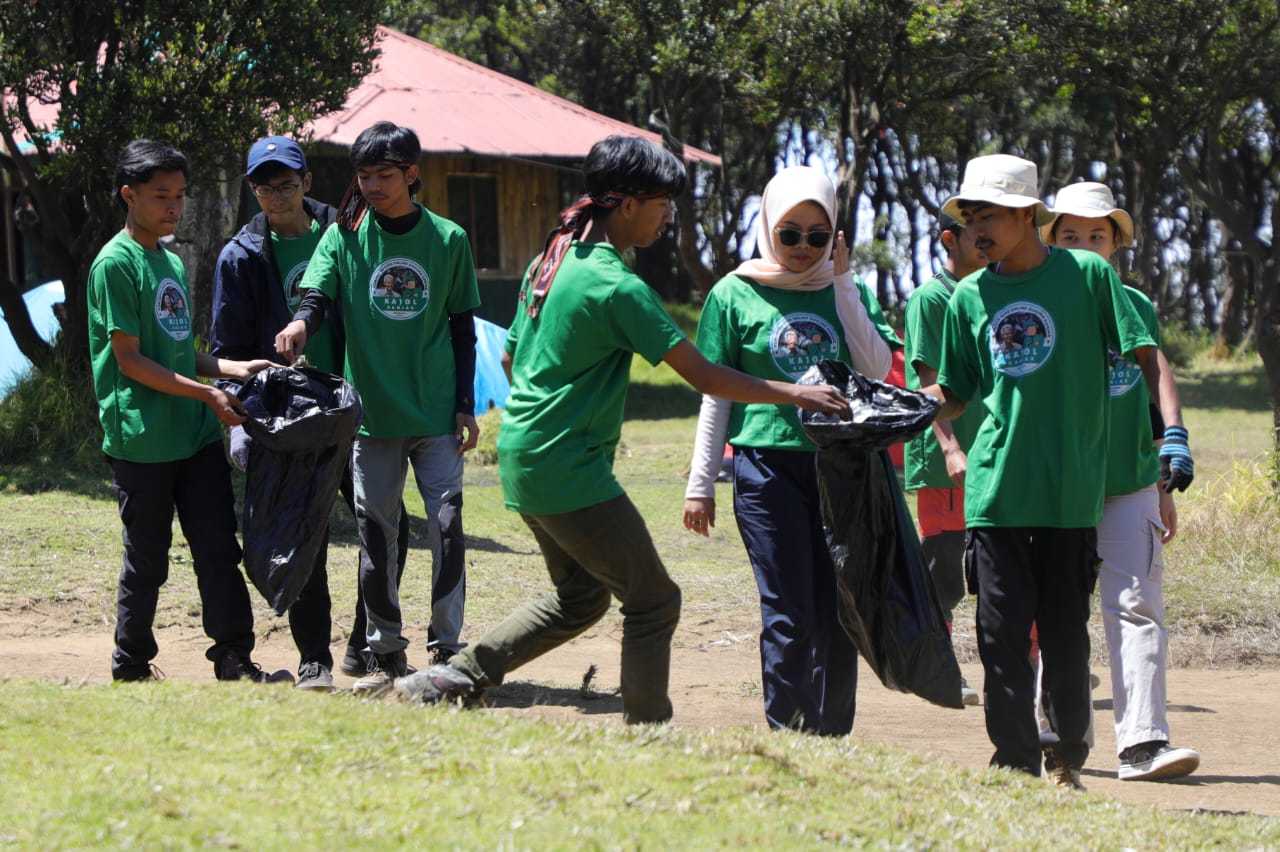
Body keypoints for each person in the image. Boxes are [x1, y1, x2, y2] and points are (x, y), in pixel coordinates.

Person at [395, 136, 850, 724]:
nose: (667, 218)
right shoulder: (618, 286)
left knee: (581, 596)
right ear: (629, 203)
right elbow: (703, 375)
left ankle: (455, 677)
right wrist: (794, 391)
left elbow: (510, 359)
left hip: (523, 454)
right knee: (654, 600)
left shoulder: (550, 260)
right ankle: (649, 731)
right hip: (567, 466)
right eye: (663, 204)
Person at [920, 154, 1191, 790]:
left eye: (989, 214)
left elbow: (1145, 357)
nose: (977, 227)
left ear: (1026, 217)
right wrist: (913, 408)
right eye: (970, 215)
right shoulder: (968, 295)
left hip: (1073, 492)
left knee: (1065, 632)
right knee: (1000, 632)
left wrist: (1167, 435)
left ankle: (1068, 754)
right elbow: (956, 387)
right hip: (997, 488)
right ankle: (1014, 758)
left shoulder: (1087, 275)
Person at [680, 166, 892, 735]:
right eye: (789, 234)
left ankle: (832, 734)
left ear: (836, 239)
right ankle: (790, 732)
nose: (803, 248)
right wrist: (701, 484)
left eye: (817, 236)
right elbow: (715, 392)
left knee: (837, 606)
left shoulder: (847, 288)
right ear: (768, 227)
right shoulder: (733, 292)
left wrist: (843, 283)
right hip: (765, 467)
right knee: (787, 609)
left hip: (839, 468)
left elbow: (875, 368)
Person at [275, 122, 480, 694]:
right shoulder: (343, 237)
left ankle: (447, 645)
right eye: (362, 175)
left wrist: (465, 405)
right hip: (372, 418)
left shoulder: (448, 239)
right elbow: (316, 296)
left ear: (412, 175)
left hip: (436, 414)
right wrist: (299, 324)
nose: (370, 186)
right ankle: (385, 648)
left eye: (384, 175)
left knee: (447, 528)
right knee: (377, 534)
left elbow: (463, 329)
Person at [210, 135, 410, 690]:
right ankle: (313, 658)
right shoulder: (240, 256)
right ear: (251, 189)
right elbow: (225, 346)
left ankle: (362, 646)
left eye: (286, 183)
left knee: (388, 528)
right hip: (291, 417)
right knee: (306, 535)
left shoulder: (345, 232)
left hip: (356, 406)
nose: (275, 195)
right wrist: (245, 412)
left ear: (307, 183)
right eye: (263, 186)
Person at [88, 139, 286, 684]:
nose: (173, 207)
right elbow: (130, 361)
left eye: (179, 195)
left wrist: (231, 368)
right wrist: (207, 394)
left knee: (219, 549)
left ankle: (233, 657)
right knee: (148, 559)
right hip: (143, 438)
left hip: (195, 436)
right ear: (129, 195)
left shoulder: (169, 258)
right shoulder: (115, 264)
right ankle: (130, 664)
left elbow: (175, 352)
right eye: (160, 196)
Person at [1042, 180, 1200, 781]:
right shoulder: (1038, 305)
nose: (1084, 245)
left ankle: (1142, 744)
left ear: (1116, 243)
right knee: (1057, 611)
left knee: (1136, 606)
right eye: (1071, 235)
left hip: (1128, 481)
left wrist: (1164, 473)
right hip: (1054, 487)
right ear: (1052, 239)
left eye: (1096, 236)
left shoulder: (1135, 306)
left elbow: (1152, 390)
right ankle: (1054, 731)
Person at [901, 213, 988, 707]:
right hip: (945, 460)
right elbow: (926, 381)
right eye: (977, 234)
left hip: (991, 454)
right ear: (949, 239)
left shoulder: (991, 290)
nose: (988, 242)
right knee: (946, 569)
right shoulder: (931, 298)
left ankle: (1039, 661)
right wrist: (952, 447)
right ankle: (936, 667)